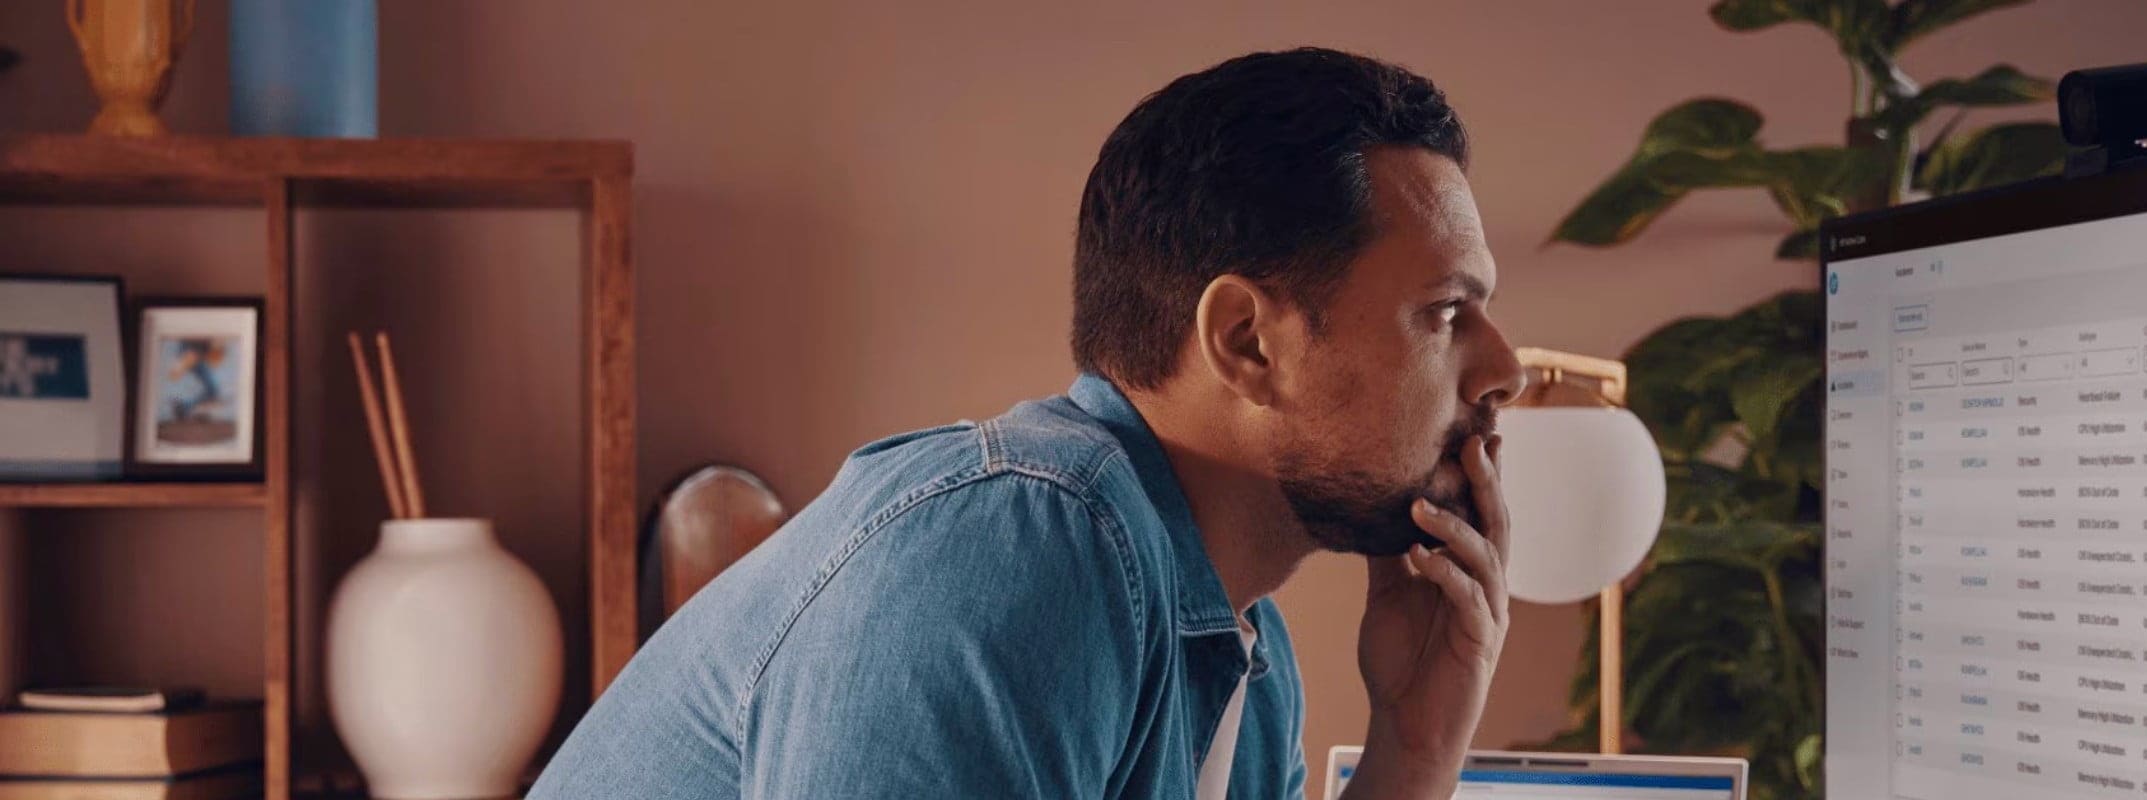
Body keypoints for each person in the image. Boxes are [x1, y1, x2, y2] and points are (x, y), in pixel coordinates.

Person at [530, 46, 1527, 799]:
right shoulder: (1018, 544)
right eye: (1444, 313)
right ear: (1245, 339)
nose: (1504, 368)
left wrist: (1412, 741)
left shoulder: (1241, 660)